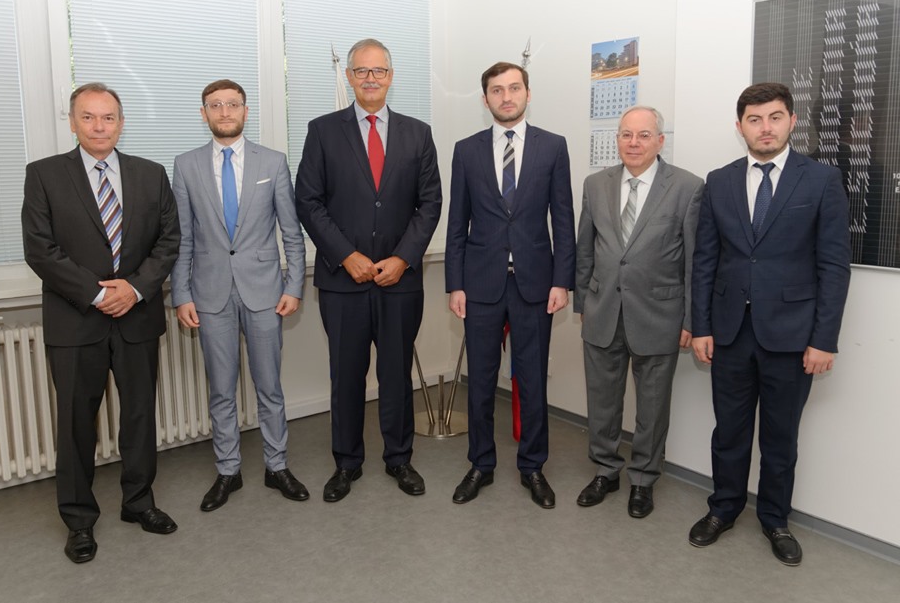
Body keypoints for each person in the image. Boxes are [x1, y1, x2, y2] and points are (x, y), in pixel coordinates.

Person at [689, 82, 851, 566]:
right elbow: (705, 261)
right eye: (755, 119)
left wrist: (824, 339)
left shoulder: (820, 180)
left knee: (780, 437)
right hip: (729, 333)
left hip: (793, 336)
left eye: (775, 117)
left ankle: (775, 519)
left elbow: (834, 267)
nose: (765, 128)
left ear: (792, 121)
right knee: (729, 432)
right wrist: (701, 326)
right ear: (739, 127)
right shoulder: (719, 181)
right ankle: (723, 508)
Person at [21, 83, 180, 564]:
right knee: (75, 424)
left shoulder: (150, 174)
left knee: (139, 417)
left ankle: (139, 503)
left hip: (137, 316)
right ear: (72, 122)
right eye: (88, 117)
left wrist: (134, 288)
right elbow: (40, 250)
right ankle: (78, 521)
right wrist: (97, 294)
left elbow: (169, 240)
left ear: (121, 123)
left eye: (108, 117)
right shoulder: (44, 175)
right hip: (75, 321)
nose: (98, 126)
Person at [295, 39, 442, 502]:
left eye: (379, 71)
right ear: (349, 77)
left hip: (400, 281)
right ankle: (346, 463)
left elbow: (430, 203)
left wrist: (403, 258)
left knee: (397, 374)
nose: (371, 78)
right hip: (343, 282)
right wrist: (346, 255)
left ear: (391, 77)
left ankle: (399, 458)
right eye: (362, 71)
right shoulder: (323, 131)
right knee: (346, 376)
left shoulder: (418, 134)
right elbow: (308, 201)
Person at [170, 79, 308, 512]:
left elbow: (291, 232)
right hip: (210, 294)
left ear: (246, 111)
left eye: (233, 104)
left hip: (265, 292)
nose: (225, 111)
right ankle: (228, 470)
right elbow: (182, 238)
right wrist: (181, 294)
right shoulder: (186, 166)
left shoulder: (273, 161)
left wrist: (294, 286)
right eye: (216, 105)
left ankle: (276, 466)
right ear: (204, 113)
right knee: (222, 390)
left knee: (269, 387)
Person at [444, 61, 574, 509]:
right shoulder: (466, 150)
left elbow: (563, 219)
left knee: (532, 380)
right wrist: (455, 284)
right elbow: (457, 223)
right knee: (480, 381)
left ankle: (532, 466)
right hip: (480, 285)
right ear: (485, 100)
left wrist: (562, 280)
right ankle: (480, 464)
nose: (506, 97)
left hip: (535, 284)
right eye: (497, 90)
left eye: (514, 88)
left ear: (527, 94)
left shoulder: (553, 146)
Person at [574, 106, 703, 518]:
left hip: (659, 316)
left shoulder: (687, 187)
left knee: (652, 407)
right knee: (602, 401)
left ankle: (644, 479)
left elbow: (695, 262)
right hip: (603, 311)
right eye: (626, 134)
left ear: (660, 141)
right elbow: (584, 250)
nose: (633, 143)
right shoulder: (596, 184)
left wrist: (691, 320)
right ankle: (605, 471)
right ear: (617, 138)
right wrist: (583, 302)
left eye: (644, 135)